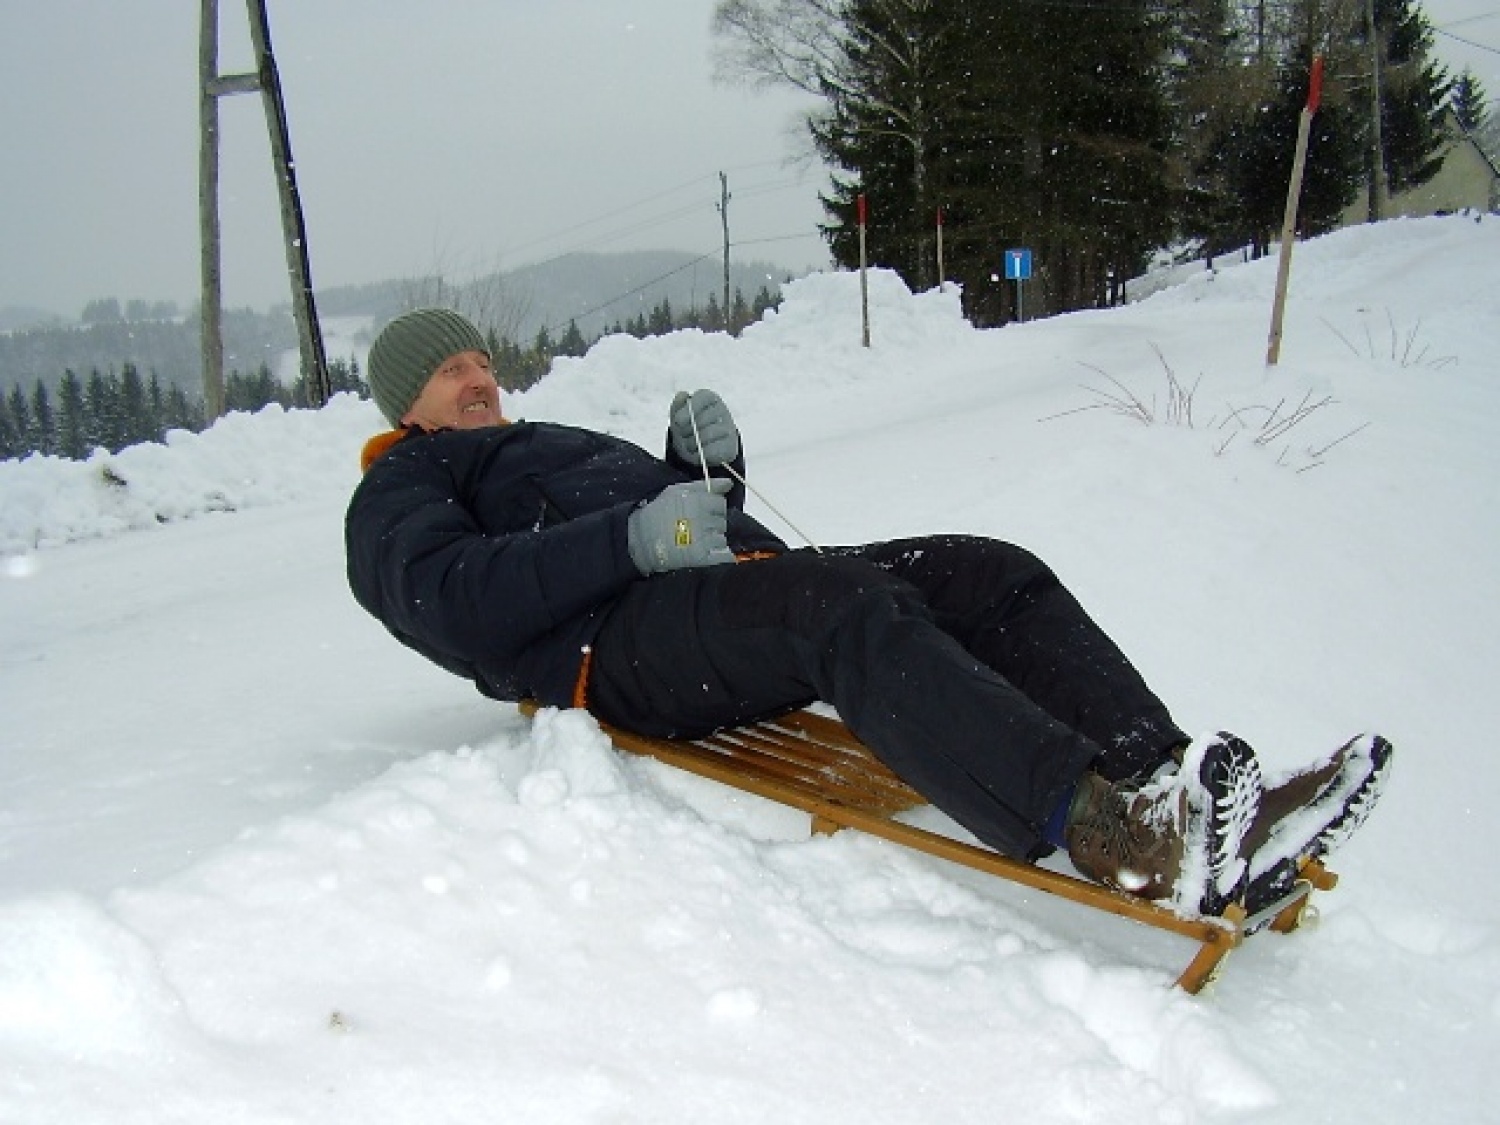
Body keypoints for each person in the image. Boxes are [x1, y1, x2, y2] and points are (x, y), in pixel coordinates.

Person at [346, 308, 1391, 920]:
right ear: (408, 404)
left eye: (482, 361)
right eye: (452, 371)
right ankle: (1110, 835)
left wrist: (704, 467)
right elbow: (454, 605)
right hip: (611, 652)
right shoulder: (399, 490)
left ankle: (1169, 786)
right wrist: (626, 541)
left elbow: (696, 527)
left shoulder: (536, 440)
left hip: (711, 599)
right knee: (834, 608)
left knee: (987, 570)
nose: (479, 378)